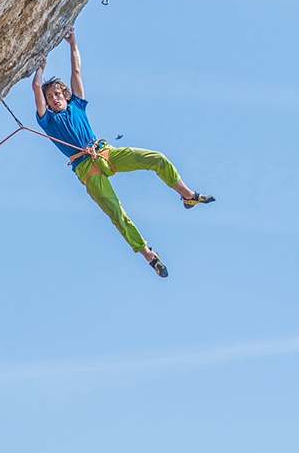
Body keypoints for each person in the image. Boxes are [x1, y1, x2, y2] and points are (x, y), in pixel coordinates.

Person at [32, 27, 214, 278]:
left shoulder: (77, 105)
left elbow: (76, 72)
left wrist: (73, 45)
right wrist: (40, 69)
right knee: (116, 213)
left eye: (56, 94)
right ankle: (149, 255)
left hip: (104, 151)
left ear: (65, 94)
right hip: (86, 168)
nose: (54, 99)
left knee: (156, 158)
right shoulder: (47, 121)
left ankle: (188, 195)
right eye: (50, 96)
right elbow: (36, 89)